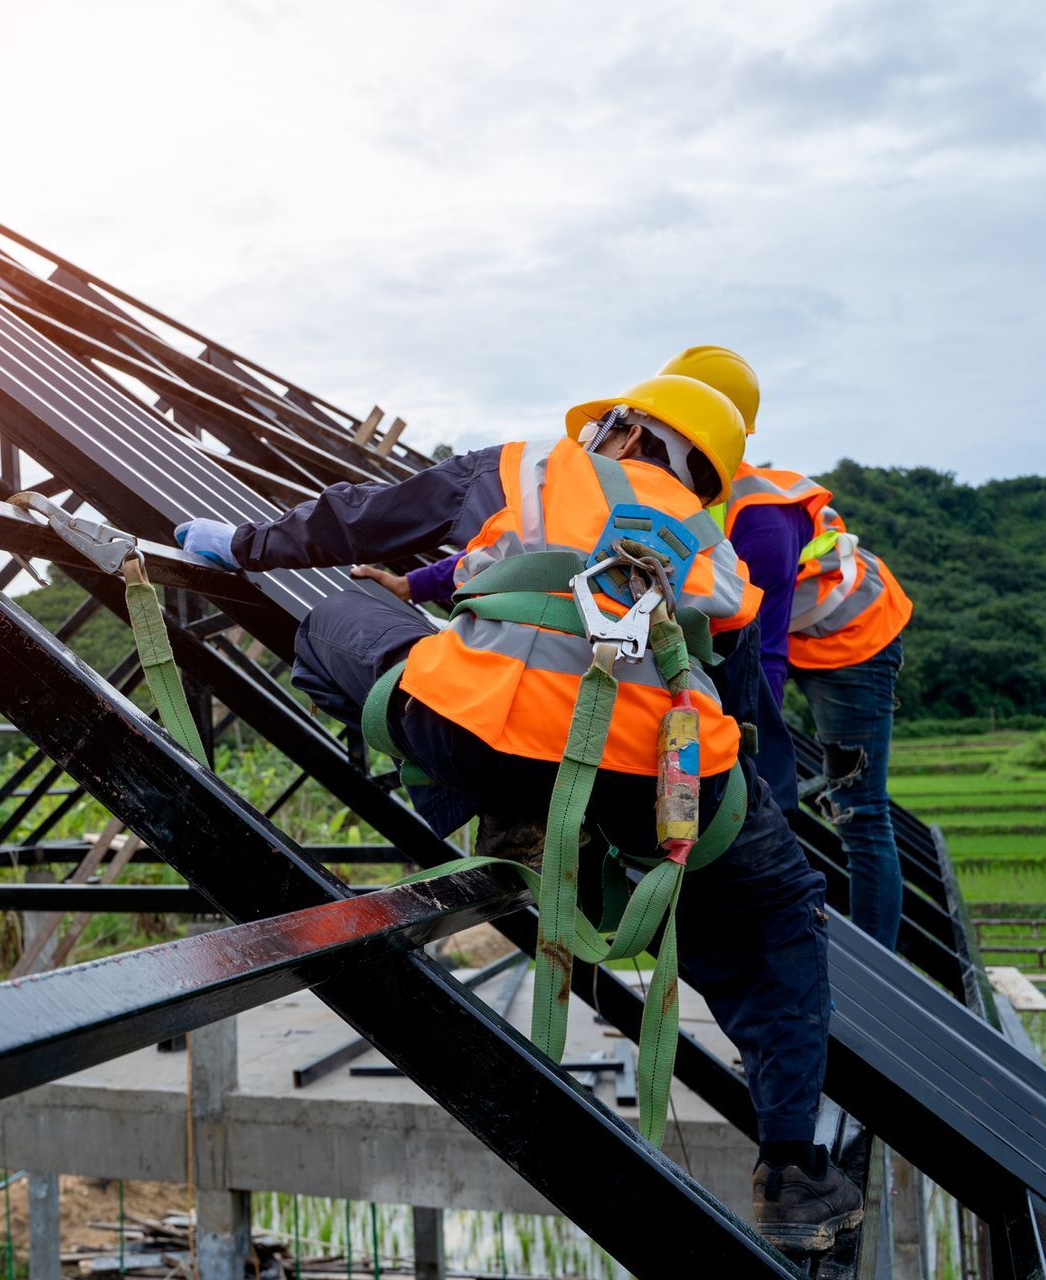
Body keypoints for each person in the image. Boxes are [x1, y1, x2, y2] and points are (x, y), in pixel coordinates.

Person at [176, 375, 861, 1250]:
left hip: (476, 732)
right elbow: (732, 691)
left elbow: (361, 517)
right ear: (704, 474)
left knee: (339, 616)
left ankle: (507, 813)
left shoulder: (528, 467)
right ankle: (796, 1168)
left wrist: (240, 543)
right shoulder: (712, 545)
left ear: (622, 428)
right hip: (652, 773)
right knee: (775, 919)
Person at [657, 347, 914, 952]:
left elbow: (761, 652)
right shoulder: (686, 493)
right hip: (792, 627)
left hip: (851, 638)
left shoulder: (762, 514)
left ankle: (873, 964)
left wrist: (747, 756)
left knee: (859, 810)